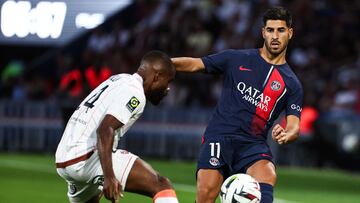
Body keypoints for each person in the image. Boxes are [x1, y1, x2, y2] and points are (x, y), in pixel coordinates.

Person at [172, 7, 302, 203]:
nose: (275, 36)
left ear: (290, 33)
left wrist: (287, 134)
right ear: (263, 32)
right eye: (270, 30)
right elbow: (195, 64)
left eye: (281, 30)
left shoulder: (292, 83)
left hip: (253, 145)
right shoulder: (236, 58)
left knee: (268, 176)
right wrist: (163, 63)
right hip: (219, 138)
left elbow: (294, 126)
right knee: (206, 194)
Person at [55, 50, 179, 203]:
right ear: (157, 77)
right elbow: (105, 129)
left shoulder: (120, 78)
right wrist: (109, 177)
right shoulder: (136, 93)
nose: (168, 88)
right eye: (168, 81)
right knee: (161, 185)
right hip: (85, 157)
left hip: (63, 157)